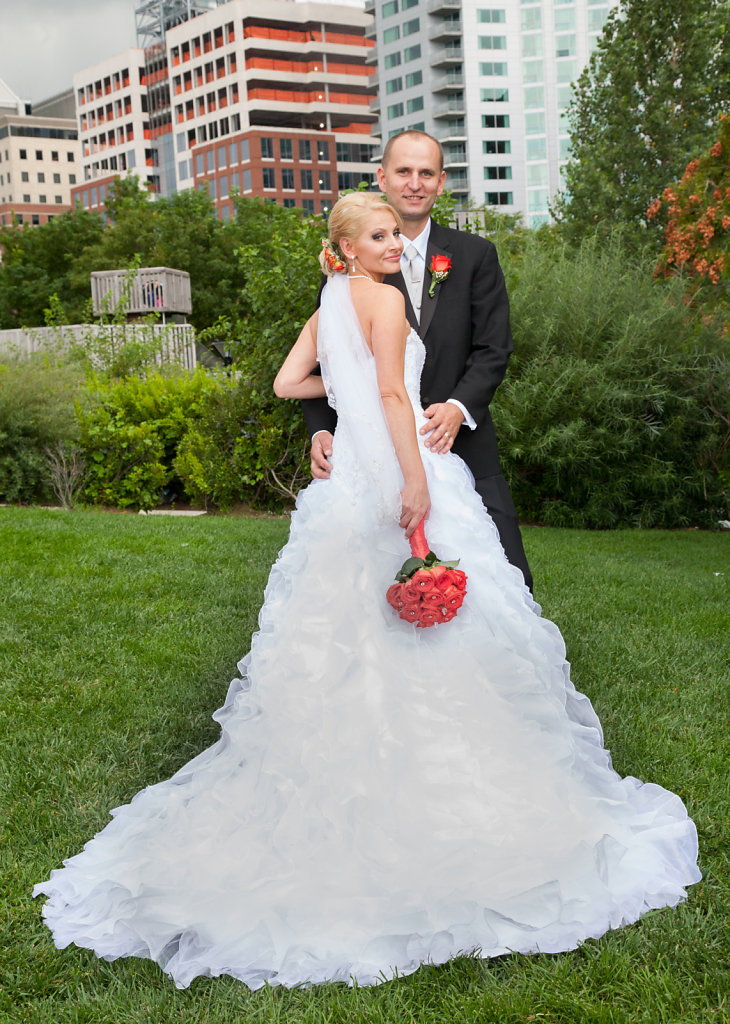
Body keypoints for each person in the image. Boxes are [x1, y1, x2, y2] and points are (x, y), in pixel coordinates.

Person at [34, 194, 700, 991]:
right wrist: (414, 479)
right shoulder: (381, 301)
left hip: (345, 475)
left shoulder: (327, 305)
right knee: (441, 631)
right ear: (346, 247)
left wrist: (336, 402)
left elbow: (287, 382)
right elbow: (392, 396)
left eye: (394, 234)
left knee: (342, 626)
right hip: (394, 464)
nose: (393, 245)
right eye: (379, 236)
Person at [303, 130, 533, 592]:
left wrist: (459, 408)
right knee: (370, 581)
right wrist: (320, 429)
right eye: (403, 171)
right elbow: (328, 359)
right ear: (382, 178)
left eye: (426, 173)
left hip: (460, 444)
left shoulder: (476, 255)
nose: (414, 183)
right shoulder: (346, 274)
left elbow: (494, 347)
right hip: (373, 452)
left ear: (441, 182)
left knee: (507, 578)